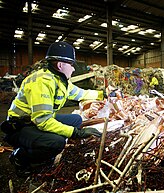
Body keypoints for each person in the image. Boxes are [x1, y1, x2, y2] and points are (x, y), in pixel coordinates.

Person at [1, 41, 104, 177]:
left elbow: (81, 93)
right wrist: (77, 133)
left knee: (76, 119)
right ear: (60, 65)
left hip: (34, 121)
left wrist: (104, 94)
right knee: (56, 142)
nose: (73, 69)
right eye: (71, 65)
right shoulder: (41, 82)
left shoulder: (60, 80)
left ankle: (40, 146)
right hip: (20, 126)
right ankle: (20, 156)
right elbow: (43, 121)